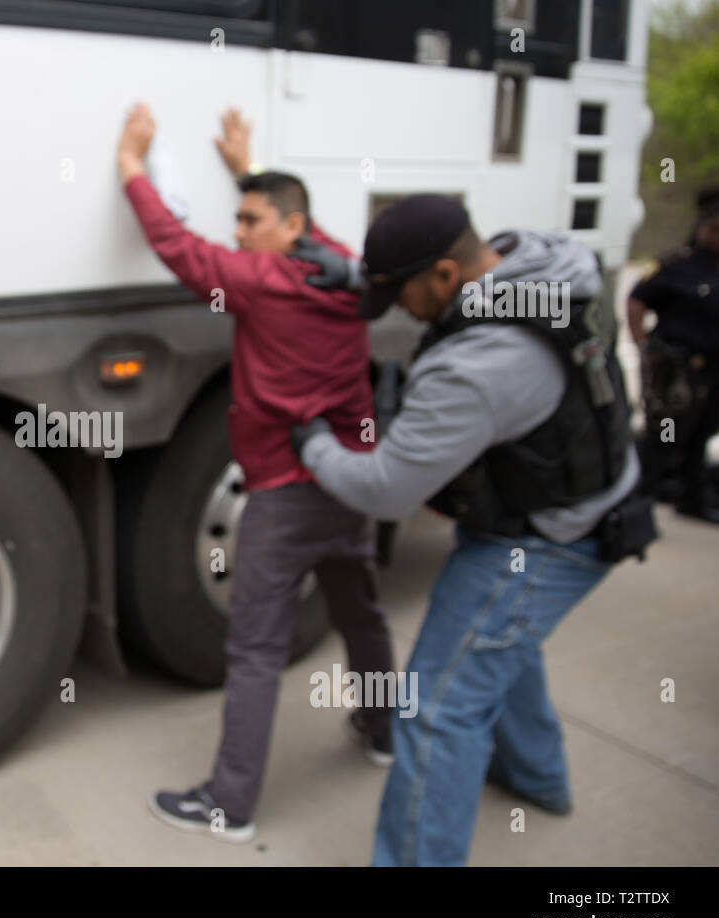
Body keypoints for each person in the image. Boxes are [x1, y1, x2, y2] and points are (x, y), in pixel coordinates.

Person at [291, 194, 655, 866]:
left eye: (401, 294)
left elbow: (388, 488)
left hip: (547, 540)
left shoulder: (477, 367)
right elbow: (445, 291)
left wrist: (313, 444)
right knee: (497, 643)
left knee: (435, 708)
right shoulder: (540, 261)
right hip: (590, 499)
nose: (399, 309)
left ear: (446, 278)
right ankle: (536, 776)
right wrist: (355, 275)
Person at [116, 104, 396, 844]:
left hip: (282, 493)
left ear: (287, 229)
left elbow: (178, 247)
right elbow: (285, 218)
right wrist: (247, 168)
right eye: (236, 221)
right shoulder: (344, 269)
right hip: (351, 481)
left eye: (248, 220)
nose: (236, 233)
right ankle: (383, 728)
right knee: (360, 611)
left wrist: (131, 168)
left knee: (254, 648)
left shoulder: (260, 282)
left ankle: (229, 804)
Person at [628, 186, 719, 523]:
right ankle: (636, 505)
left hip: (714, 369)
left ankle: (692, 500)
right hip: (678, 369)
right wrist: (642, 346)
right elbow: (637, 300)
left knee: (701, 436)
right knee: (663, 437)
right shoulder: (675, 265)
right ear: (702, 227)